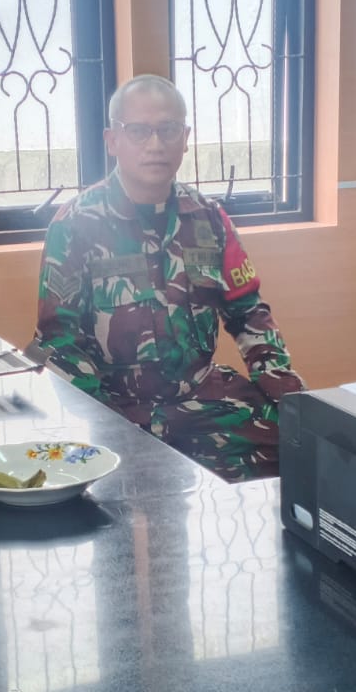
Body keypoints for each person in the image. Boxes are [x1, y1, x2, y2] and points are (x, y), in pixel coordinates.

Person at [33, 74, 304, 481]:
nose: (155, 144)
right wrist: (106, 424)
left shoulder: (209, 218)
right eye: (139, 131)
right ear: (112, 140)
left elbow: (248, 314)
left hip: (200, 397)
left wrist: (292, 398)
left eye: (169, 130)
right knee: (116, 492)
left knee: (303, 448)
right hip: (115, 406)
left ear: (185, 138)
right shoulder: (76, 224)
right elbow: (58, 342)